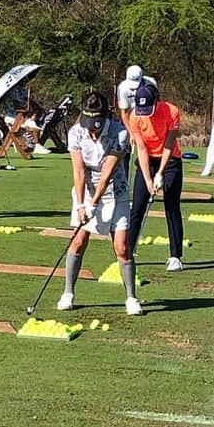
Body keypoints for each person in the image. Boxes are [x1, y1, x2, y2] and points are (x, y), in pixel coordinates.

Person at [58, 91, 143, 316]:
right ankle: (68, 292)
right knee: (77, 242)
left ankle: (131, 298)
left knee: (122, 247)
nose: (92, 130)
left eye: (96, 124)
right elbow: (78, 170)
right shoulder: (76, 132)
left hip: (116, 192)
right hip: (85, 191)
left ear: (105, 117)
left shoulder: (120, 133)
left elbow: (108, 173)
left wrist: (94, 203)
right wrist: (81, 204)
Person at [129, 78, 185, 272]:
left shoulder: (171, 111)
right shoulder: (134, 117)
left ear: (157, 101)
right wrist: (148, 180)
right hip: (147, 161)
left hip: (170, 160)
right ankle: (127, 253)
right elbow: (141, 150)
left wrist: (160, 173)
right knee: (137, 207)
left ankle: (175, 256)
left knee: (171, 206)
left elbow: (170, 143)